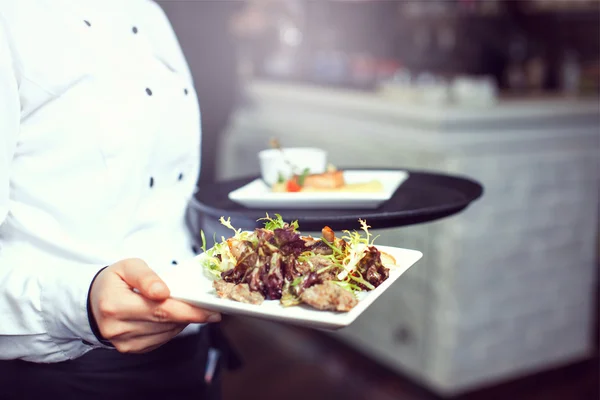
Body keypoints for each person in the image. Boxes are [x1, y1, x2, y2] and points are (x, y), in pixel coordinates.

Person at [0, 0, 229, 398]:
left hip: (193, 351)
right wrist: (80, 305)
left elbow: (156, 195)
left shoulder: (149, 12)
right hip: (68, 375)